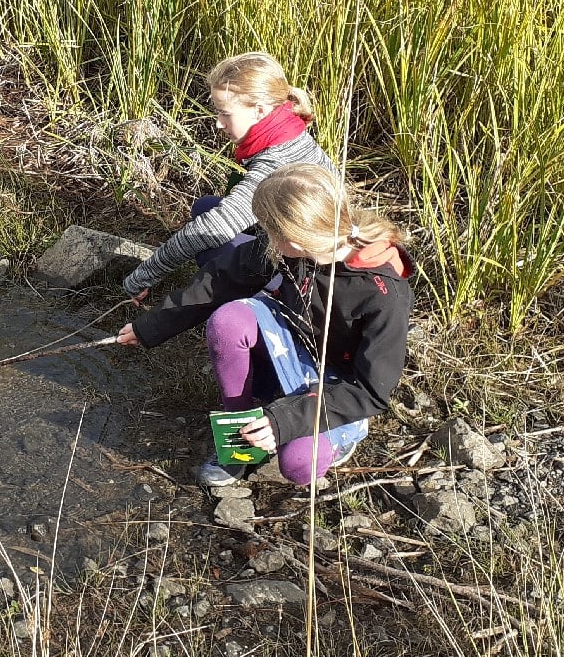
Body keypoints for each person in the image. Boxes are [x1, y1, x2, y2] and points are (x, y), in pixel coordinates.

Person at [116, 164, 413, 488]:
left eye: (269, 229)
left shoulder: (386, 295)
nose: (264, 236)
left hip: (338, 384)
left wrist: (281, 421)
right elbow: (223, 278)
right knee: (229, 320)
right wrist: (152, 326)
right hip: (292, 337)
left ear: (295, 235)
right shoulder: (287, 249)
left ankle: (340, 438)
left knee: (299, 464)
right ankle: (240, 440)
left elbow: (371, 390)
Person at [121, 52, 333, 300]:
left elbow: (214, 227)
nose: (218, 123)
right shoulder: (288, 132)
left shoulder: (275, 162)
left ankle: (267, 298)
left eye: (225, 113)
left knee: (208, 240)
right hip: (294, 245)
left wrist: (144, 275)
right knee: (205, 206)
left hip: (309, 279)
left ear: (259, 110)